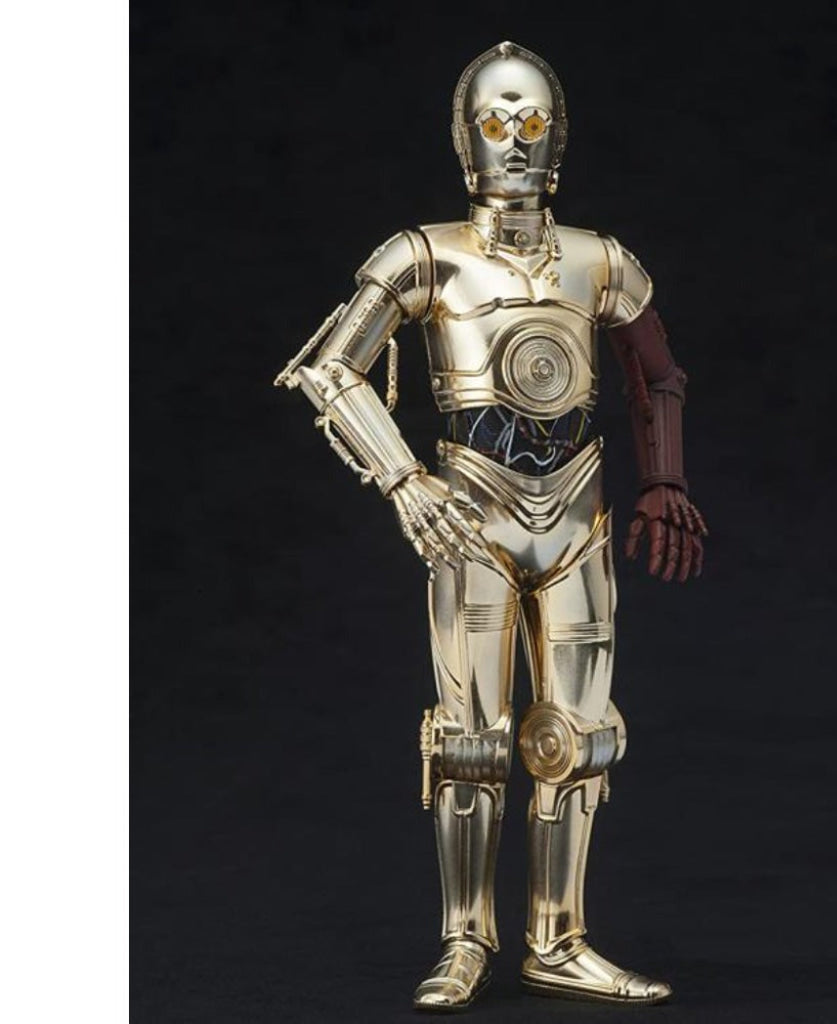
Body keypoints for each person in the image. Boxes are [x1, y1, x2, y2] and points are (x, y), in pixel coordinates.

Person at [275, 40, 707, 1011]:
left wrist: (663, 479)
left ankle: (559, 938)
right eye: (495, 122)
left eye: (532, 121)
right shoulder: (426, 254)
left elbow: (656, 373)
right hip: (468, 513)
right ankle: (465, 938)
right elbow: (330, 367)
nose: (514, 141)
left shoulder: (600, 260)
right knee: (470, 742)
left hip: (578, 517)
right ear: (464, 137)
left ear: (559, 137)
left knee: (580, 738)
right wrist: (404, 482)